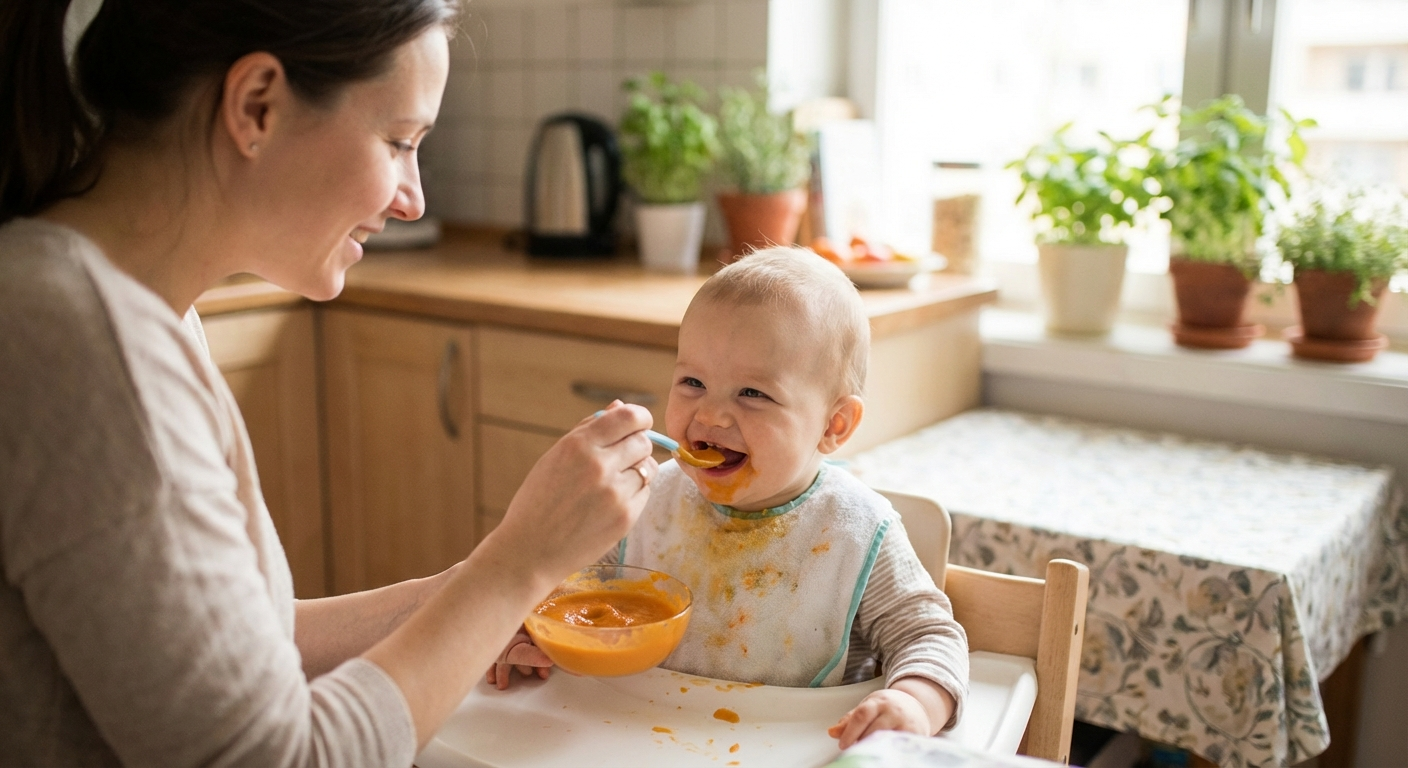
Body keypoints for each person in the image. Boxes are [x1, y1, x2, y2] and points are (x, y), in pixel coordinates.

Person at [0, 1, 658, 765]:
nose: (413, 197)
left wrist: (474, 594)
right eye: (398, 141)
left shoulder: (128, 307)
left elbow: (246, 643)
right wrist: (515, 566)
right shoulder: (88, 343)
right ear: (258, 107)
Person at [501, 248, 971, 749]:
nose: (711, 416)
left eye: (753, 393)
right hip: (638, 738)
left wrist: (912, 704)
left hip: (788, 748)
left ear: (834, 426)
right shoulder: (648, 496)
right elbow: (567, 590)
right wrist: (520, 633)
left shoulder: (855, 529)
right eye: (693, 382)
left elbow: (929, 637)